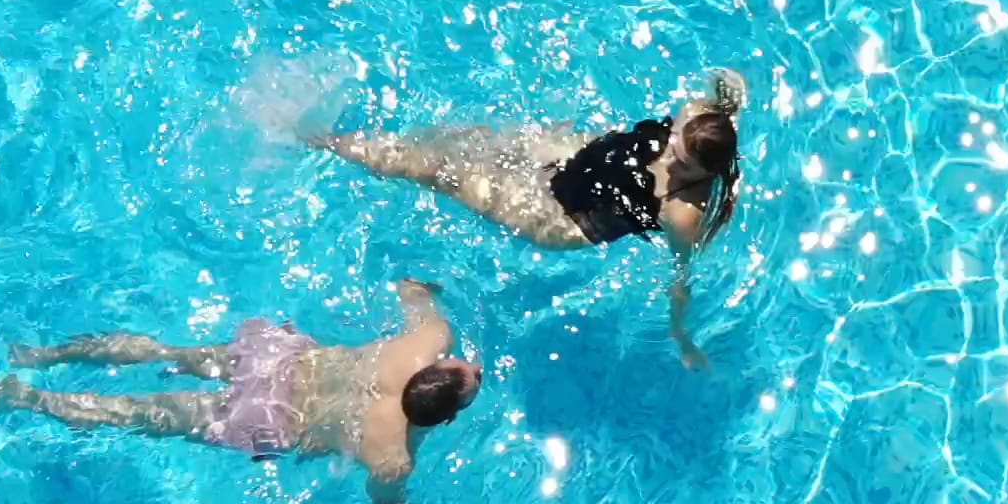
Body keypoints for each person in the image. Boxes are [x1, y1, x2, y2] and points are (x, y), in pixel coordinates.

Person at [0, 278, 508, 504]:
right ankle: (25, 396)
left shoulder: (425, 341)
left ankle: (41, 356)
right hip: (271, 420)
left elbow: (410, 287)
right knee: (138, 414)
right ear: (447, 420)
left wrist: (428, 288)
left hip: (279, 365)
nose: (475, 368)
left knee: (166, 352)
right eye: (475, 377)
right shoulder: (393, 458)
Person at [309, 68, 746, 370]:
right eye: (671, 143)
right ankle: (345, 139)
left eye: (683, 164)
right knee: (469, 140)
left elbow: (680, 276)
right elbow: (728, 95)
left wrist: (681, 336)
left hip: (563, 217)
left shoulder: (682, 212)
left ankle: (322, 141)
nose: (668, 158)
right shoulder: (699, 116)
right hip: (584, 156)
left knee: (440, 173)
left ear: (705, 173)